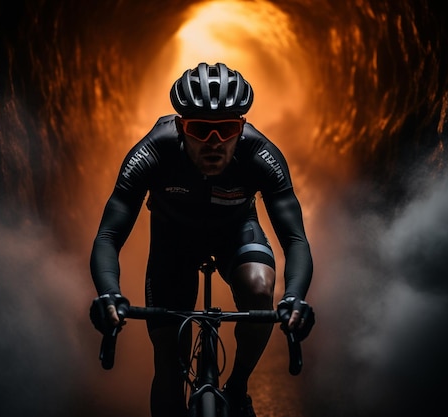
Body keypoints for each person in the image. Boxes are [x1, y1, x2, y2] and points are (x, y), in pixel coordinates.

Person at [90, 62, 314, 417]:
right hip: (173, 241)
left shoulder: (260, 154)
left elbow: (295, 239)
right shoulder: (153, 151)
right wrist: (109, 292)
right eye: (200, 130)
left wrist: (293, 298)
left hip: (235, 233)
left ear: (242, 127)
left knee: (259, 289)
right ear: (181, 127)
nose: (215, 143)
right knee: (167, 364)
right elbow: (109, 234)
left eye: (227, 129)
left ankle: (238, 388)